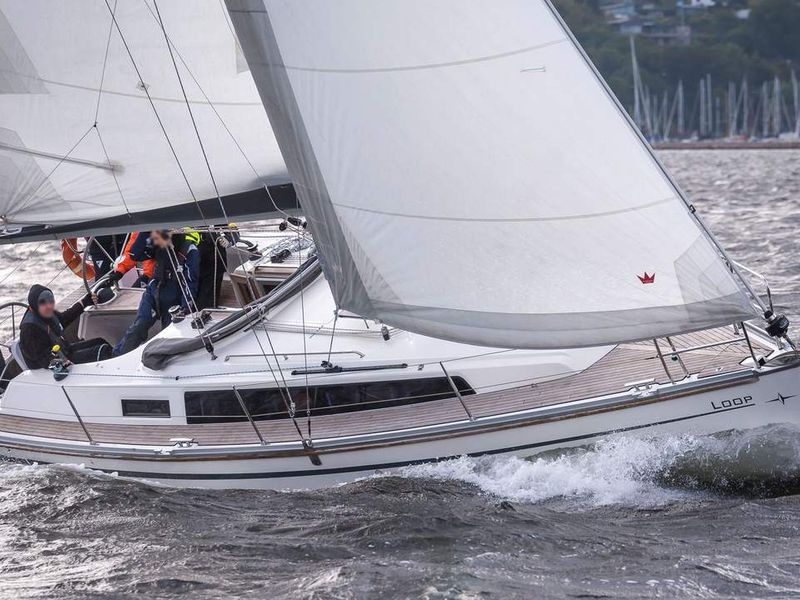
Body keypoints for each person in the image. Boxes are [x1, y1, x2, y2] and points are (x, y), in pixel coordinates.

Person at [112, 230, 200, 356]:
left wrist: (185, 308)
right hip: (153, 291)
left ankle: (164, 359)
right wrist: (146, 231)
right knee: (139, 326)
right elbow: (135, 255)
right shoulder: (156, 241)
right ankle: (118, 355)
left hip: (174, 298)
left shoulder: (190, 250)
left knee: (169, 335)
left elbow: (191, 283)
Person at [19, 285, 111, 370]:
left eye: (50, 301)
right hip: (52, 365)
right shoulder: (29, 329)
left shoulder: (45, 313)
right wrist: (63, 362)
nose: (49, 306)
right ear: (35, 304)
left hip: (63, 351)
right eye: (43, 303)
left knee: (100, 342)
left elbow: (63, 319)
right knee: (102, 351)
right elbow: (41, 359)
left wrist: (85, 301)